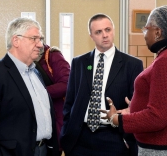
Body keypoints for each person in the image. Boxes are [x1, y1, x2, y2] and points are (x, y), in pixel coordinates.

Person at [101, 5, 167, 156]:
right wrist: (134, 109)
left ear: (157, 32)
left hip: (162, 143)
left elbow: (158, 117)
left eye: (146, 29)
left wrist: (117, 120)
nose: (144, 34)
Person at [0, 17, 59, 156]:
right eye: (34, 38)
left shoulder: (37, 73)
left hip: (45, 150)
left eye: (40, 39)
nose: (40, 44)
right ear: (16, 40)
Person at [60, 13, 143, 156]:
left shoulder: (132, 64)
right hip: (80, 139)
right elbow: (69, 103)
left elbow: (136, 105)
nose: (105, 35)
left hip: (114, 138)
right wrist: (66, 134)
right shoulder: (79, 63)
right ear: (91, 36)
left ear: (113, 30)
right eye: (98, 32)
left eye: (108, 30)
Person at [35, 44, 70, 156]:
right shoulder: (25, 60)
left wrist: (38, 93)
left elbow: (66, 83)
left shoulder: (52, 56)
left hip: (55, 116)